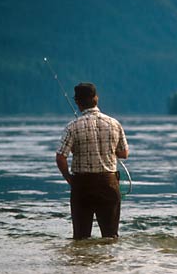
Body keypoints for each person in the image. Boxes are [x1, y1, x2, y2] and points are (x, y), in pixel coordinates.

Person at [55, 82, 129, 239]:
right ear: (96, 98)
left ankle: (82, 262)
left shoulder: (72, 127)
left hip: (82, 185)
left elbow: (61, 157)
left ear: (77, 102)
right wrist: (107, 149)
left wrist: (69, 178)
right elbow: (123, 153)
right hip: (109, 183)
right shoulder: (114, 124)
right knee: (110, 237)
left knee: (80, 239)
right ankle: (108, 263)